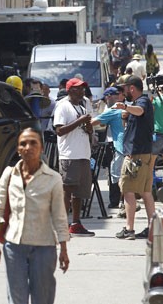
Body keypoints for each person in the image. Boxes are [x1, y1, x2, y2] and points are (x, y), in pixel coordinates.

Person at [0, 128, 69, 304]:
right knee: (17, 298)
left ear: (41, 148)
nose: (28, 147)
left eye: (33, 142)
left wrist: (63, 249)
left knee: (43, 297)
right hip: (14, 247)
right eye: (23, 143)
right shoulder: (9, 175)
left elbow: (59, 216)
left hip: (44, 247)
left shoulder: (53, 178)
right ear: (18, 149)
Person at [112, 76, 155, 240]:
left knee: (128, 190)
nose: (123, 93)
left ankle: (129, 229)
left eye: (124, 89)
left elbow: (140, 111)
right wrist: (125, 115)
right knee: (145, 192)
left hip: (136, 154)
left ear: (131, 88)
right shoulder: (138, 103)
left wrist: (126, 107)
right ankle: (152, 227)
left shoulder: (142, 101)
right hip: (142, 153)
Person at [53, 77, 95, 237]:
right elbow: (59, 130)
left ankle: (76, 223)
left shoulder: (83, 106)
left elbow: (87, 129)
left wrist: (89, 127)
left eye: (83, 88)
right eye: (78, 88)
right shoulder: (63, 106)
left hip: (83, 153)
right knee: (67, 189)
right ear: (70, 90)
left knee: (80, 192)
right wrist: (80, 121)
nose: (82, 91)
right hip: (69, 154)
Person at [91, 86, 125, 209]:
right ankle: (123, 201)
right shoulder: (125, 108)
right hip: (126, 146)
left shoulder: (113, 110)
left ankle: (117, 201)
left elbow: (94, 123)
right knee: (123, 174)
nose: (105, 101)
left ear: (109, 96)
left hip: (117, 146)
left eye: (105, 99)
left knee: (115, 175)